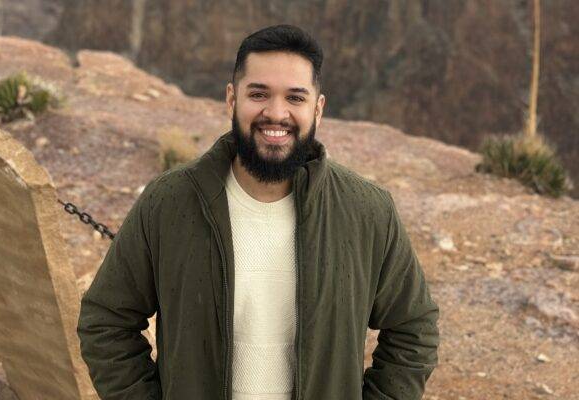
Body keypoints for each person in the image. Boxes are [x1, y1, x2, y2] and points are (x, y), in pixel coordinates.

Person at [77, 24, 440, 400]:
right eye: (259, 94)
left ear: (318, 110)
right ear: (232, 100)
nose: (276, 113)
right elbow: (106, 320)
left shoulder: (367, 211)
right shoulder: (168, 202)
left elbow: (414, 329)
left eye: (295, 97)